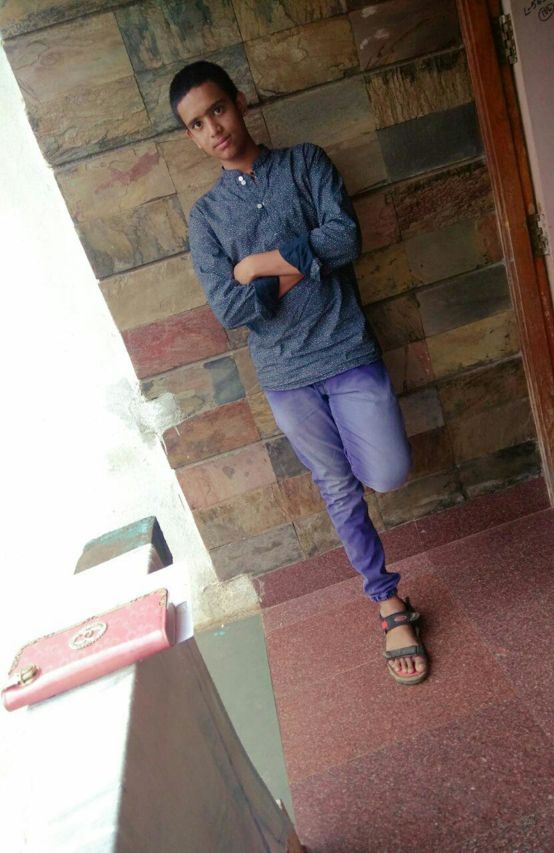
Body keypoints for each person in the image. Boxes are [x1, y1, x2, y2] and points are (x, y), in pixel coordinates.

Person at [169, 61, 428, 685]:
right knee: (336, 488)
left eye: (218, 110)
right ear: (192, 137)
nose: (214, 129)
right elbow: (231, 311)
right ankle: (388, 602)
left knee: (387, 473)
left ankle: (358, 481)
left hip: (346, 350)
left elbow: (345, 239)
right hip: (286, 376)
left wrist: (257, 265)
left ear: (239, 102)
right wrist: (301, 263)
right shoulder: (206, 219)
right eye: (197, 124)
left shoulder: (306, 164)